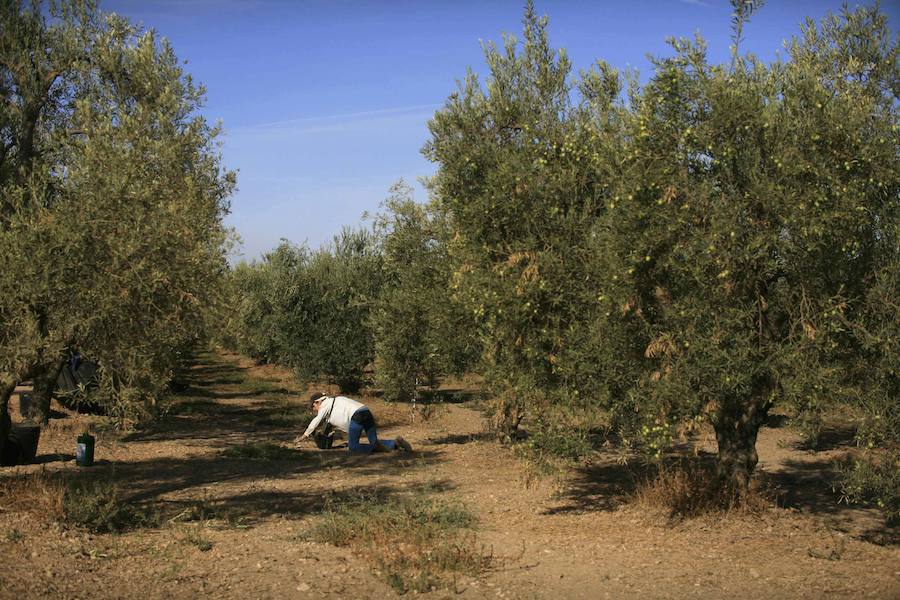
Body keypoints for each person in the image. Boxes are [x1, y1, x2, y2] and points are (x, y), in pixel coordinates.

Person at [301, 392, 412, 454]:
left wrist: (305, 435)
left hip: (357, 416)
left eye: (313, 406)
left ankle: (377, 449)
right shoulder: (335, 402)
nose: (314, 409)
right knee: (373, 441)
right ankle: (395, 443)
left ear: (318, 401)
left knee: (353, 447)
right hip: (366, 411)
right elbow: (332, 423)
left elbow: (317, 420)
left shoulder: (325, 404)